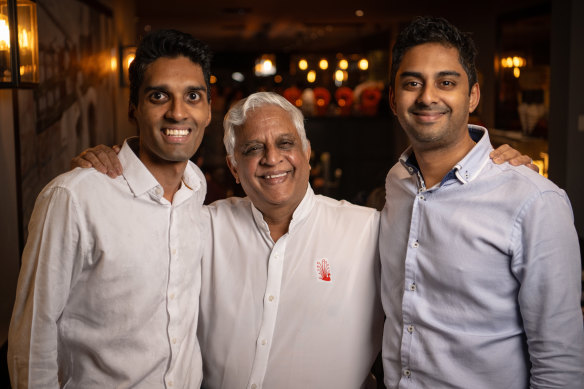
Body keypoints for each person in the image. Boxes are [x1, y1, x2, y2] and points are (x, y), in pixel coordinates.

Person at [380, 16, 584, 389]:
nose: (427, 97)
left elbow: (560, 365)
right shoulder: (397, 182)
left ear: (473, 95)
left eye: (446, 82)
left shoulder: (534, 201)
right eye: (412, 83)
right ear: (394, 100)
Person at [8, 29, 212, 388]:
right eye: (159, 95)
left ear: (208, 110)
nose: (178, 112)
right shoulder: (73, 198)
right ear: (133, 107)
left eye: (192, 96)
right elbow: (32, 342)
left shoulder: (196, 187)